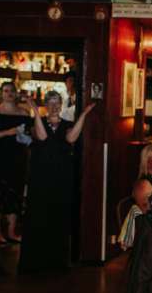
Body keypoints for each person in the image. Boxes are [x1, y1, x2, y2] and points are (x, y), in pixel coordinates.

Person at [19, 92, 96, 273]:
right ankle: (35, 263)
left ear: (61, 105)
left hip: (61, 178)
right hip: (40, 179)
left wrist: (83, 115)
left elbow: (71, 138)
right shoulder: (35, 123)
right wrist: (35, 110)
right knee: (38, 215)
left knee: (59, 217)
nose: (54, 107)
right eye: (50, 103)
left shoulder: (68, 125)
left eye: (57, 103)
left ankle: (57, 262)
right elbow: (42, 136)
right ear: (46, 105)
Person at [0, 82, 30, 244]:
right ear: (1, 93)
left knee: (15, 193)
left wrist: (26, 137)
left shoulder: (24, 112)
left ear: (16, 93)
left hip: (18, 157)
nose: (9, 93)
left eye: (11, 91)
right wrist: (9, 132)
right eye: (5, 91)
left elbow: (30, 134)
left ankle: (11, 232)